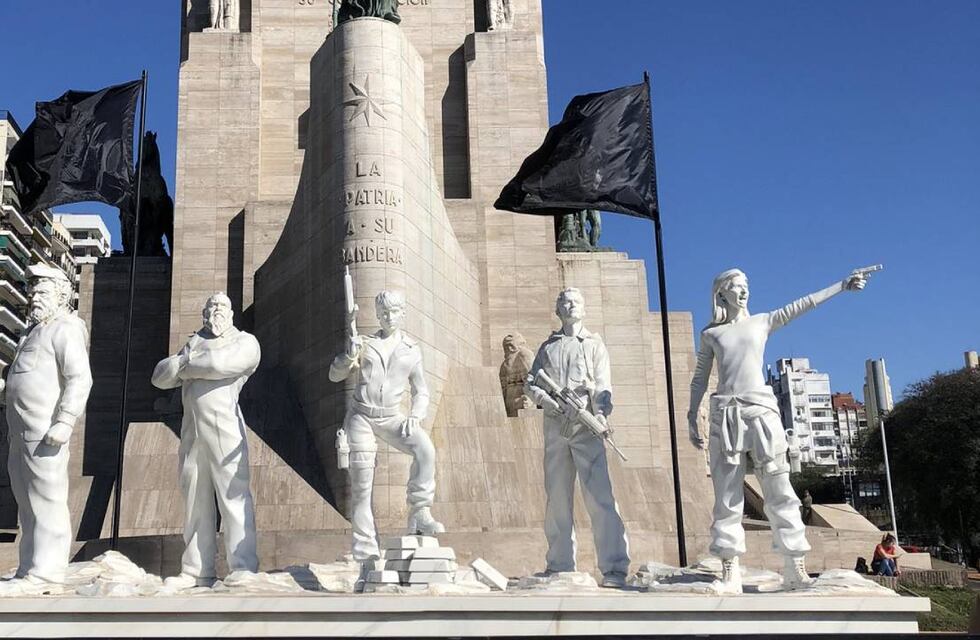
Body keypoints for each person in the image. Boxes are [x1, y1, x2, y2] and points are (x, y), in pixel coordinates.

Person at [687, 268, 869, 592]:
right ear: (722, 293)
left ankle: (794, 567)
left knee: (780, 490)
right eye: (737, 287)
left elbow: (802, 305)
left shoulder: (762, 322)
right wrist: (691, 413)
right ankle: (729, 569)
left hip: (761, 411)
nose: (744, 292)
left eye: (746, 286)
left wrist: (842, 285)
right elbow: (700, 377)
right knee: (727, 495)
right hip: (726, 414)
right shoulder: (712, 334)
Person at [151, 293, 260, 588]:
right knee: (194, 498)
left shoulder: (244, 341)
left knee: (233, 495)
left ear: (232, 313)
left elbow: (220, 364)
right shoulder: (194, 343)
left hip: (224, 427)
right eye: (212, 306)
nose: (216, 310)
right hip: (192, 429)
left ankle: (243, 565)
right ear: (204, 312)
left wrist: (184, 365)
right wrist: (187, 361)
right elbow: (159, 376)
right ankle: (196, 570)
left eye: (222, 306)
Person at [524, 288, 630, 588]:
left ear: (583, 309)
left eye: (576, 302)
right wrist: (548, 402)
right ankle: (559, 564)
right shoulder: (548, 348)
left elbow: (603, 386)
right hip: (556, 426)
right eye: (565, 302)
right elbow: (531, 384)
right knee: (557, 497)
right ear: (558, 310)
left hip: (585, 425)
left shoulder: (594, 345)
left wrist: (601, 415)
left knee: (599, 496)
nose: (570, 306)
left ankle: (614, 567)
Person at [329, 290, 443, 560]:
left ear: (403, 314)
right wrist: (348, 356)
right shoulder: (364, 343)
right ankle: (365, 549)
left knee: (425, 449)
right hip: (361, 417)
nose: (389, 317)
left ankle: (420, 512)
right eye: (384, 313)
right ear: (378, 315)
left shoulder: (411, 350)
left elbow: (421, 390)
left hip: (392, 417)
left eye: (394, 312)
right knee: (362, 486)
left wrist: (416, 414)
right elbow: (335, 375)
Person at [1, 265, 92, 593]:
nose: (33, 298)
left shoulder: (64, 328)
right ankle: (30, 570)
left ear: (61, 295)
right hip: (19, 431)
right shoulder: (31, 332)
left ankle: (47, 574)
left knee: (46, 499)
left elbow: (80, 378)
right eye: (32, 291)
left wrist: (65, 421)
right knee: (27, 503)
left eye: (41, 292)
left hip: (45, 431)